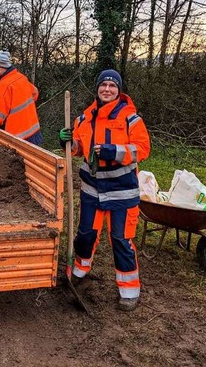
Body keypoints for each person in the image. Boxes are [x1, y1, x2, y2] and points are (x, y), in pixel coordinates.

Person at [59, 69, 150, 311]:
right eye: (103, 85)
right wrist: (68, 141)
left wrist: (115, 152)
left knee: (120, 240)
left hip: (121, 191)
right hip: (91, 188)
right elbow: (78, 147)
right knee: (86, 235)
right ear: (97, 88)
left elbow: (142, 149)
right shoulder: (84, 118)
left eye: (112, 85)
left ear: (119, 90)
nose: (107, 89)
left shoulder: (131, 119)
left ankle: (129, 290)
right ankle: (78, 271)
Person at [0, 50, 43, 146]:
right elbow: (35, 93)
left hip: (18, 138)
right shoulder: (21, 78)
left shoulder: (5, 85)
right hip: (34, 133)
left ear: (4, 67)